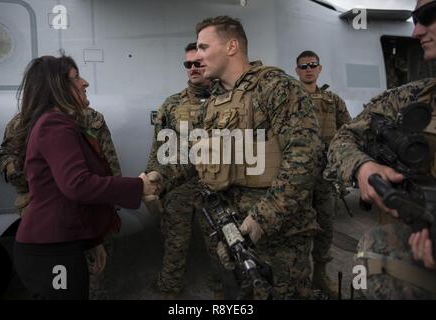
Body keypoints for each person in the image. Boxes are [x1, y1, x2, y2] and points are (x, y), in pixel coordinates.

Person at [177, 16, 321, 299]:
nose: (198, 55)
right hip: (231, 232)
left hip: (280, 238)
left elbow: (304, 161)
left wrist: (261, 220)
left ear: (232, 46)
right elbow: (195, 155)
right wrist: (157, 179)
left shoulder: (277, 88)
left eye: (204, 47)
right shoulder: (213, 103)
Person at [10, 55, 160, 300]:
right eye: (76, 76)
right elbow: (77, 185)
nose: (85, 82)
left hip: (60, 244)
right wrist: (139, 186)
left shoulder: (53, 122)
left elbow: (64, 194)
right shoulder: (55, 124)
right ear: (58, 86)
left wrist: (91, 241)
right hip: (51, 252)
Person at [326, 0, 436, 299]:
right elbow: (343, 138)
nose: (416, 31)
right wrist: (362, 167)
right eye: (414, 18)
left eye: (427, 16)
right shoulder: (411, 98)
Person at [0, 96, 121, 301]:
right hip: (47, 212)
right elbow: (6, 156)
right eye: (74, 79)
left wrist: (112, 203)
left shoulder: (92, 118)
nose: (83, 85)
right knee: (56, 279)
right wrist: (22, 174)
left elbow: (108, 161)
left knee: (95, 271)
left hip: (88, 204)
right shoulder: (23, 121)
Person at [146, 42, 220, 299]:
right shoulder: (172, 104)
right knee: (175, 242)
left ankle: (221, 289)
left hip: (215, 185)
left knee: (219, 243)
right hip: (179, 187)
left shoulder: (228, 102)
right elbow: (159, 147)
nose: (192, 68)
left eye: (198, 63)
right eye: (187, 64)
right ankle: (169, 289)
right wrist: (152, 186)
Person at [295, 50, 352, 297]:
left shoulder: (333, 100)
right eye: (303, 66)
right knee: (298, 227)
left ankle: (320, 274)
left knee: (325, 225)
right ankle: (301, 279)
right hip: (297, 176)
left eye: (313, 65)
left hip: (325, 175)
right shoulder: (289, 99)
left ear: (319, 68)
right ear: (297, 70)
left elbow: (348, 132)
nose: (308, 69)